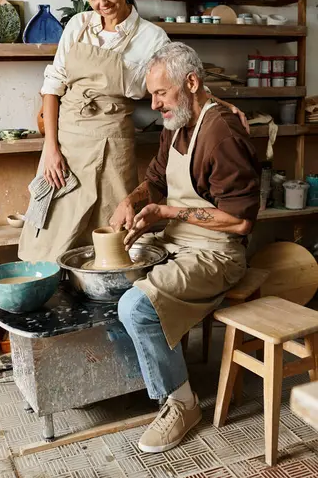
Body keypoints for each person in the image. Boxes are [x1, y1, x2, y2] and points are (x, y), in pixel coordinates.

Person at [19, 0, 248, 262]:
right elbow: (53, 85)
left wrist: (221, 104)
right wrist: (50, 148)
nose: (101, 3)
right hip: (68, 141)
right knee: (52, 232)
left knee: (111, 232)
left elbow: (183, 78)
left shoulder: (151, 38)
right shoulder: (77, 25)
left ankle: (102, 297)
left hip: (114, 141)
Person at [110, 42, 260, 454]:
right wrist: (132, 202)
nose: (154, 103)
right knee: (111, 276)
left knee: (135, 307)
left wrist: (166, 213)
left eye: (161, 93)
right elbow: (156, 180)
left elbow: (241, 221)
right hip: (177, 239)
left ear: (191, 82)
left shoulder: (222, 133)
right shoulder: (178, 121)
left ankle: (182, 403)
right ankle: (148, 378)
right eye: (152, 94)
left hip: (218, 252)